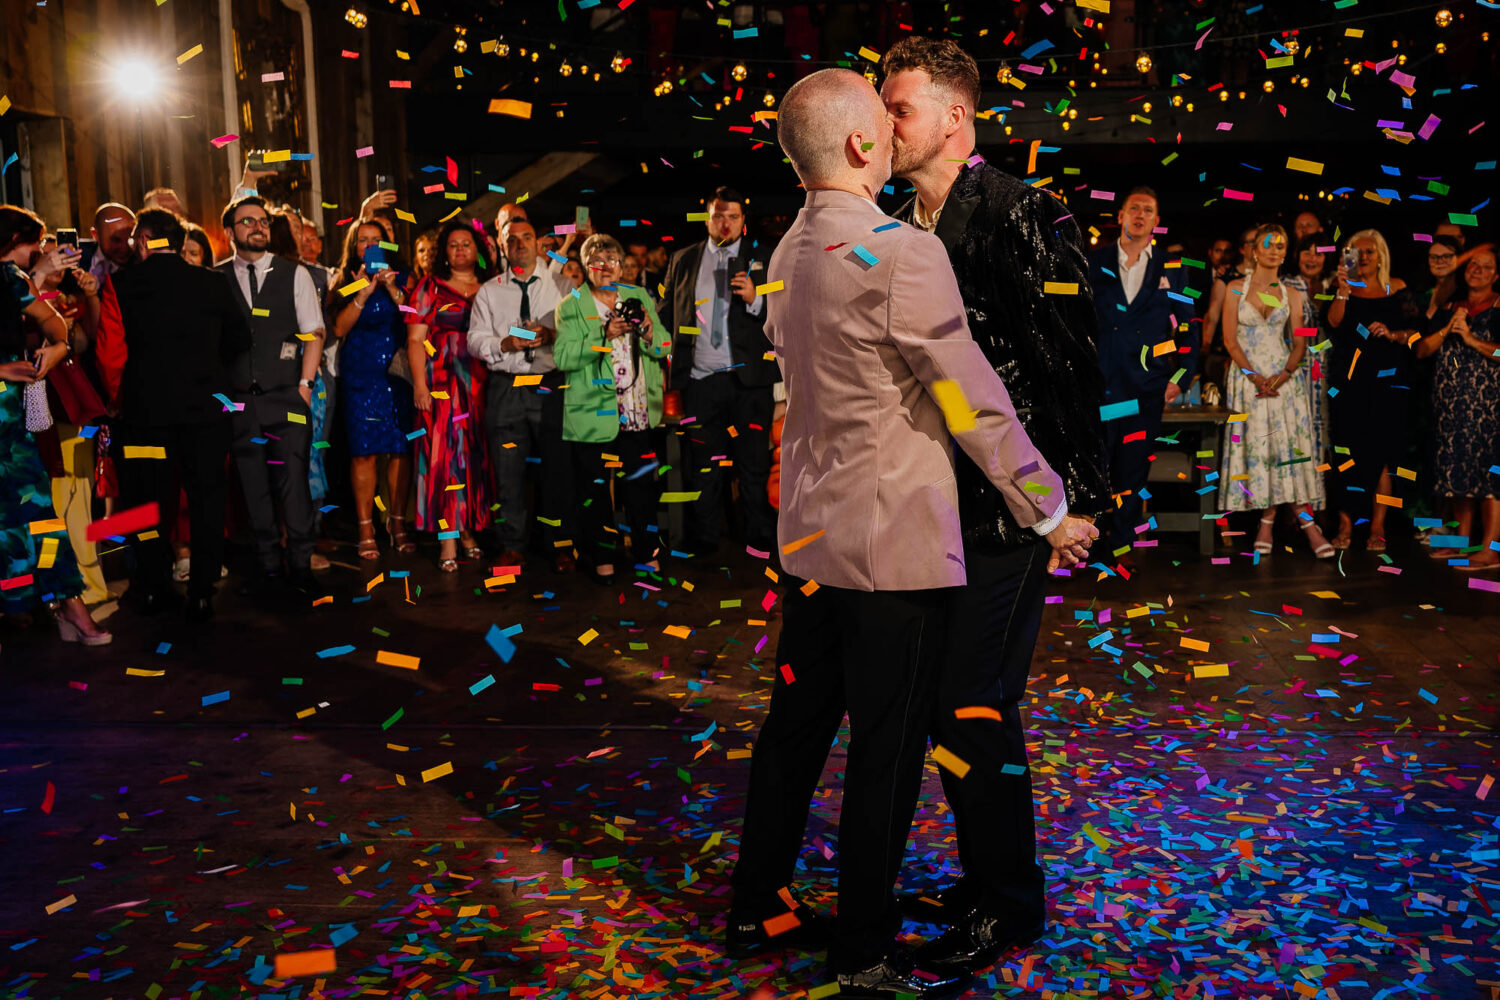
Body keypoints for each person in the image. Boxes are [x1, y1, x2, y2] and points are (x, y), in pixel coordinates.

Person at [729, 68, 1093, 999]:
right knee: (885, 755)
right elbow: (970, 400)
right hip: (888, 548)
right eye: (881, 121)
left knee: (795, 730)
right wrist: (1048, 508)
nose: (893, 134)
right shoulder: (901, 251)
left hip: (808, 539)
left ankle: (756, 904)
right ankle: (862, 950)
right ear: (861, 145)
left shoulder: (788, 247)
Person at [879, 35, 1109, 975]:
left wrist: (1073, 503)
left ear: (955, 116)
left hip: (1009, 506)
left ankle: (1008, 905)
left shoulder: (1022, 211)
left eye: (899, 108)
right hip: (927, 503)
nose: (883, 125)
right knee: (950, 705)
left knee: (974, 701)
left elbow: (1072, 360)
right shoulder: (894, 223)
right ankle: (985, 881)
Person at [94, 210, 250, 621]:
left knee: (148, 502)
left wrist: (116, 399)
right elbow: (240, 338)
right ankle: (201, 591)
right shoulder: (212, 282)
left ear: (145, 240)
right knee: (207, 500)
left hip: (146, 414)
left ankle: (153, 587)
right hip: (206, 412)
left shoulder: (121, 284)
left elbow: (110, 354)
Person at [0, 205, 112, 645]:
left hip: (12, 416)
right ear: (15, 242)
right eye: (33, 245)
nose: (37, 253)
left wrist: (57, 349)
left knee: (39, 510)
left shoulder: (13, 279)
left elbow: (57, 324)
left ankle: (69, 603)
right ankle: (28, 605)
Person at [657, 186, 779, 556]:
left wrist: (756, 299)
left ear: (743, 220)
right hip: (700, 380)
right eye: (718, 215)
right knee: (702, 464)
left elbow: (786, 310)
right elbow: (666, 312)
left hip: (749, 382)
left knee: (753, 463)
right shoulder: (683, 258)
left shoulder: (764, 257)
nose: (725, 223)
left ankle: (757, 535)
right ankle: (705, 538)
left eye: (733, 217)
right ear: (707, 218)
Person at [216, 195, 326, 594]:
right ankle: (268, 568)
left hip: (287, 397)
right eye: (247, 221)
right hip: (239, 402)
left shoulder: (294, 273)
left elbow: (314, 332)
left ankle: (300, 565)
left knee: (294, 485)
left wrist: (305, 387)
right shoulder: (216, 278)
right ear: (230, 232)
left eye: (262, 220)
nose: (258, 227)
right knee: (253, 488)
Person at [1088, 187, 1196, 565]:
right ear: (1120, 216)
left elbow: (1187, 327)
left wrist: (1180, 378)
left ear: (1156, 221)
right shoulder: (1094, 261)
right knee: (1096, 468)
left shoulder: (1172, 267)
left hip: (1145, 389)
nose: (1140, 215)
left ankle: (1120, 549)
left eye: (1147, 210)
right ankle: (1088, 547)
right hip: (1101, 387)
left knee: (1132, 471)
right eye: (1134, 208)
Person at [553, 234, 670, 581]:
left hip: (636, 410)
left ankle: (647, 553)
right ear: (586, 267)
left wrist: (647, 331)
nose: (605, 268)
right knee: (595, 491)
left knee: (641, 488)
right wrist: (602, 336)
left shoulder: (639, 296)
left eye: (612, 261)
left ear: (621, 266)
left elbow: (665, 345)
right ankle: (603, 556)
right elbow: (563, 357)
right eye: (597, 262)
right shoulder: (571, 305)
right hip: (593, 412)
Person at [1216, 224, 1331, 556]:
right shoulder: (1234, 288)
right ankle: (1290, 525)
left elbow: (1300, 343)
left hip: (1284, 381)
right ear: (1254, 251)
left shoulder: (1292, 293)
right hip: (1247, 379)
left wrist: (1283, 375)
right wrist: (1255, 378)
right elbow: (1229, 340)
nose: (1274, 251)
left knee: (1286, 452)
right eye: (1268, 244)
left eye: (1280, 246)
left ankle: (1283, 525)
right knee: (1262, 452)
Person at [467, 220, 574, 571]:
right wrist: (503, 342)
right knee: (507, 470)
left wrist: (553, 334)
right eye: (511, 239)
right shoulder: (489, 290)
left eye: (527, 237)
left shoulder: (563, 286)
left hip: (549, 383)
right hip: (507, 385)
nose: (520, 244)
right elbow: (474, 339)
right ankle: (512, 545)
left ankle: (558, 544)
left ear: (538, 243)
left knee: (556, 468)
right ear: (502, 246)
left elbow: (580, 331)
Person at [1326, 228, 1422, 551]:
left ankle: (1378, 525)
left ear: (1381, 255)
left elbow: (1417, 333)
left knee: (1383, 454)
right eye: (1357, 252)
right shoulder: (1340, 285)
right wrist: (1342, 291)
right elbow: (1332, 323)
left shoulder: (1398, 287)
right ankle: (1345, 523)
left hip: (1388, 381)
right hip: (1348, 381)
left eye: (1369, 251)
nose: (1364, 257)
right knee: (1346, 451)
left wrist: (1394, 334)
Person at [406, 219, 493, 571]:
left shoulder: (492, 286)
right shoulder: (429, 286)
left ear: (478, 250)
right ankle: (447, 538)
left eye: (466, 244)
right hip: (441, 383)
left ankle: (469, 528)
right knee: (444, 457)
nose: (459, 250)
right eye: (453, 245)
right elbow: (415, 339)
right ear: (444, 252)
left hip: (481, 383)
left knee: (474, 455)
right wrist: (420, 385)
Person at [329, 220, 414, 560]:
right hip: (360, 374)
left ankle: (397, 523)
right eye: (362, 240)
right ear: (354, 246)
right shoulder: (346, 281)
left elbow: (415, 317)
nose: (369, 245)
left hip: (397, 372)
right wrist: (362, 292)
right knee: (363, 451)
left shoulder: (403, 276)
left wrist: (392, 288)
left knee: (399, 449)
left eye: (376, 239)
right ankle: (366, 528)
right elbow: (338, 328)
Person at [1417, 245, 1500, 571]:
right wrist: (1448, 328)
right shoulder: (1451, 307)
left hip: (1489, 408)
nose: (1476, 270)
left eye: (1486, 266)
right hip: (1451, 408)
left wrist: (1471, 339)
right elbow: (1421, 350)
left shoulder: (1498, 306)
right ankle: (1460, 543)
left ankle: (1491, 551)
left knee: (1490, 479)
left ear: (1496, 275)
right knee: (1457, 475)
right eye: (1473, 265)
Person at [1283, 234, 1332, 487]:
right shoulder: (1286, 285)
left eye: (1319, 253)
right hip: (1295, 368)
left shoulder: (1334, 284)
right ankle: (1297, 496)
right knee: (1296, 431)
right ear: (1297, 256)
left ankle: (1319, 495)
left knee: (1323, 433)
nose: (1312, 258)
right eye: (1307, 252)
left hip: (1327, 370)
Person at [1423, 235, 1463, 318]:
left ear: (1458, 258)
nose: (1439, 261)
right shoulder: (1424, 292)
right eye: (1433, 257)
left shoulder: (1465, 293)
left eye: (1446, 256)